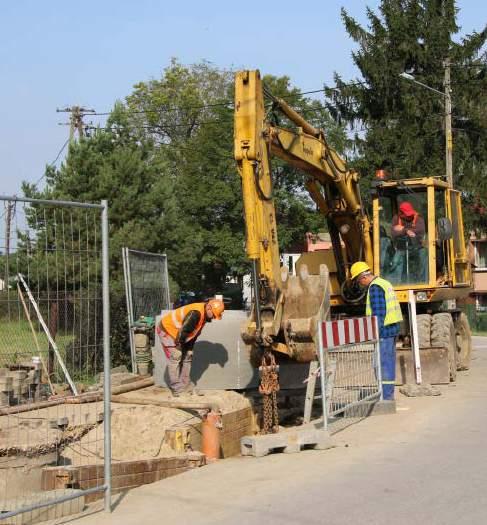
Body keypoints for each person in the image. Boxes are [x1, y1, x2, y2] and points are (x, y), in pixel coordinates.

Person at [350, 262, 403, 401]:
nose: (360, 284)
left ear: (362, 278)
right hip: (391, 329)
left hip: (384, 332)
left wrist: (375, 334)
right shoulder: (384, 282)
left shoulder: (375, 288)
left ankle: (386, 397)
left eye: (358, 281)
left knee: (383, 364)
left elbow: (379, 313)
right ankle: (388, 395)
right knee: (388, 363)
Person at [157, 298, 225, 396]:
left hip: (178, 333)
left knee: (188, 356)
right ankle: (177, 389)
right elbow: (184, 331)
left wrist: (189, 348)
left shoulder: (205, 316)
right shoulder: (195, 313)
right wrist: (179, 346)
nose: (214, 317)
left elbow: (194, 333)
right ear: (209, 308)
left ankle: (185, 385)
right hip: (167, 330)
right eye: (214, 314)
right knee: (176, 356)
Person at [389, 201, 427, 283]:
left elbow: (420, 231)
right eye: (407, 214)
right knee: (395, 261)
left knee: (424, 255)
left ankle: (422, 282)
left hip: (417, 248)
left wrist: (401, 229)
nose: (410, 216)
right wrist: (406, 231)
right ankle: (394, 284)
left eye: (410, 213)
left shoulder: (419, 219)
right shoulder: (396, 219)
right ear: (401, 214)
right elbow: (393, 232)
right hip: (401, 248)